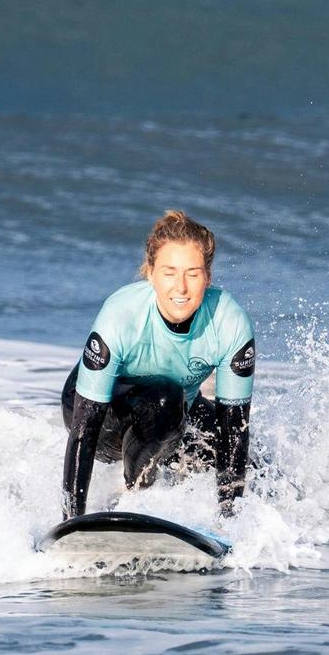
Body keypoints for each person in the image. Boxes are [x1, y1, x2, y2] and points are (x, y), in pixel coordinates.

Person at [60, 210, 255, 520]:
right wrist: (71, 522)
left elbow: (235, 430)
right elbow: (84, 432)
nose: (181, 287)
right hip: (101, 416)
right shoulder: (121, 314)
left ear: (208, 277)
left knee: (253, 466)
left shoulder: (229, 322)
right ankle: (134, 496)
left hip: (171, 414)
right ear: (150, 273)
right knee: (165, 400)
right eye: (169, 272)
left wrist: (231, 525)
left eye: (192, 273)